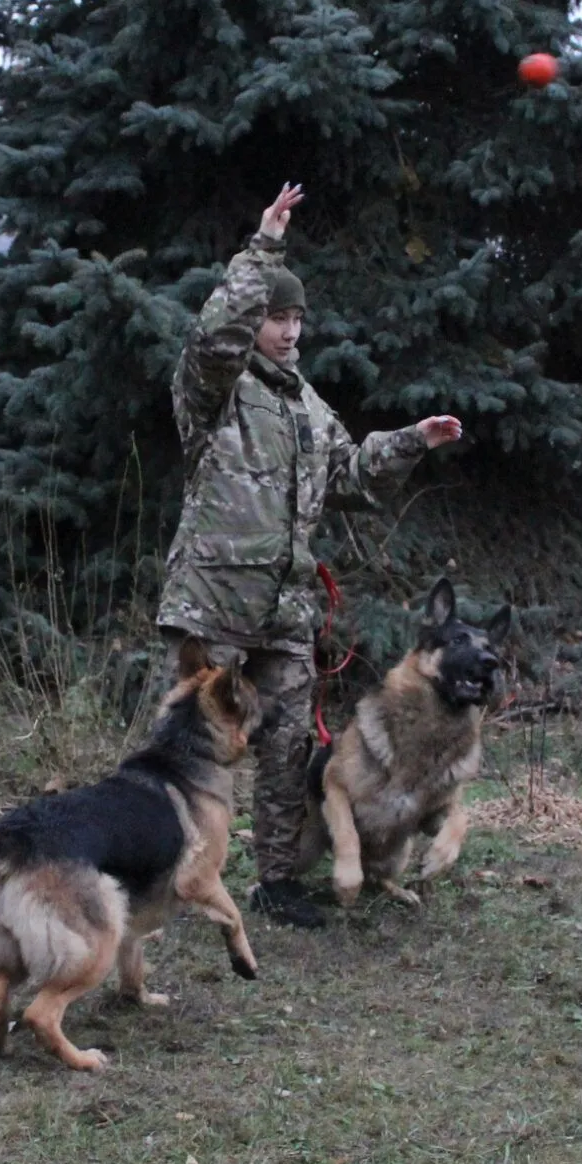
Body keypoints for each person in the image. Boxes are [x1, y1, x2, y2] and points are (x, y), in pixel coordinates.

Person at [156, 183, 463, 928]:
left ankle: (276, 880)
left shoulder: (307, 405)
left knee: (289, 750)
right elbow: (215, 335)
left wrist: (410, 442)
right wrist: (263, 247)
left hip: (284, 611)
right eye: (276, 317)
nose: (289, 331)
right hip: (213, 602)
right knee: (190, 746)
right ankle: (161, 867)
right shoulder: (215, 389)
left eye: (296, 319)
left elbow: (349, 479)